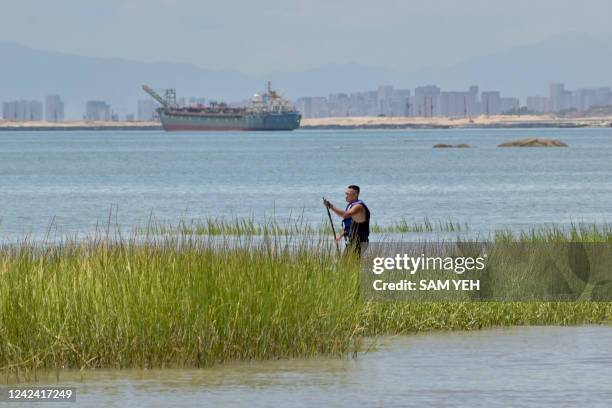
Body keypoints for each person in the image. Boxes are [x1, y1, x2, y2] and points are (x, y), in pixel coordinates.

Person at [323, 185, 370, 256]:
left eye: (348, 194)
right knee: (346, 265)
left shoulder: (359, 206)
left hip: (360, 242)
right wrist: (340, 236)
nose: (346, 196)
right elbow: (348, 226)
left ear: (356, 194)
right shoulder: (350, 206)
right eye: (346, 194)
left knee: (351, 264)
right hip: (351, 242)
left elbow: (345, 215)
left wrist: (331, 206)